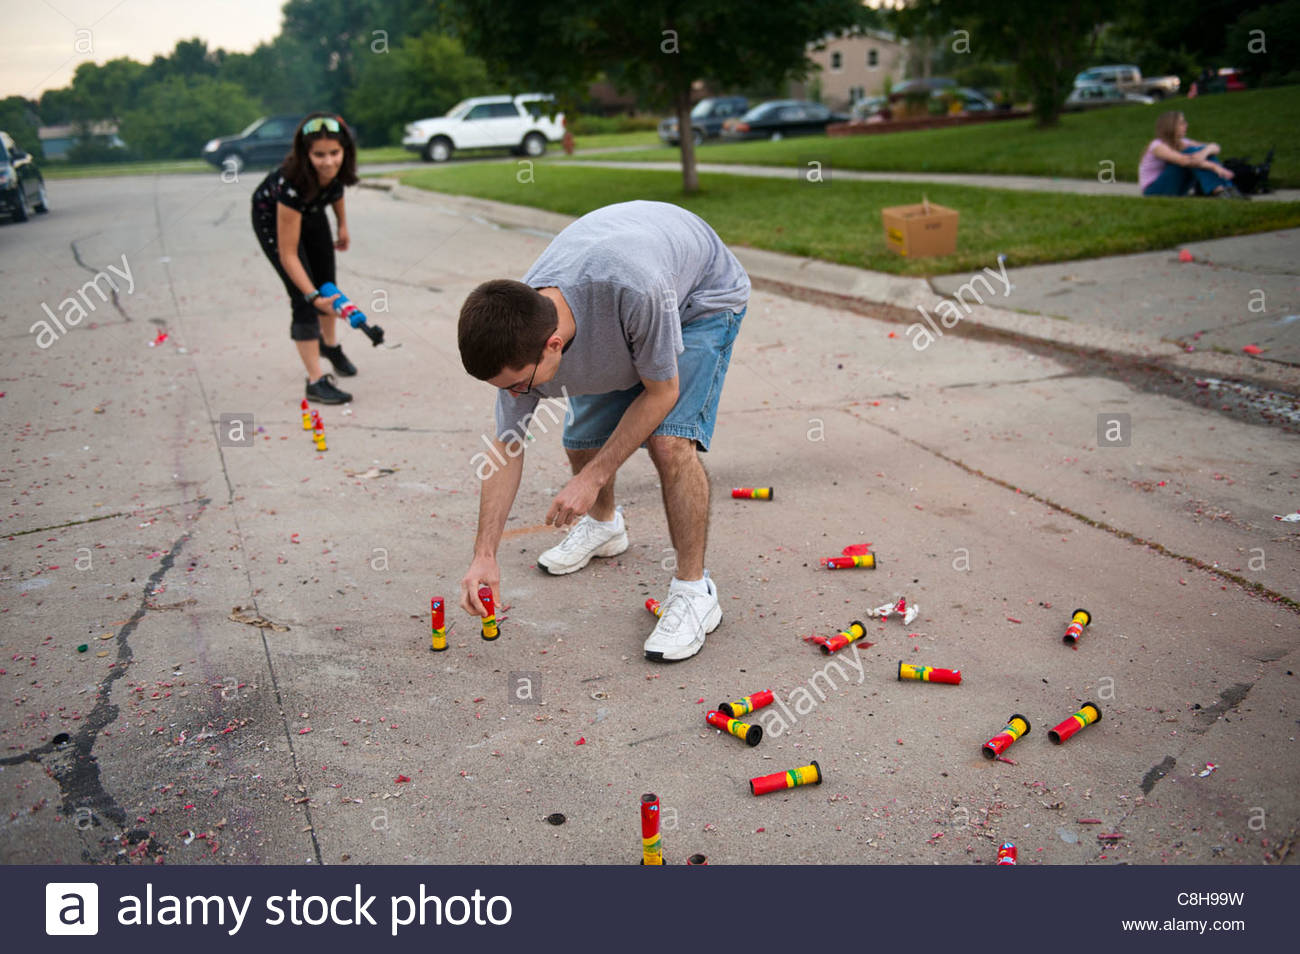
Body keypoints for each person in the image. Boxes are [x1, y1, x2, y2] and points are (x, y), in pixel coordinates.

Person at [457, 201, 750, 662]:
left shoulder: (638, 290)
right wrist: (484, 554)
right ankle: (605, 525)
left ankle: (695, 592)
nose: (515, 396)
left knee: (669, 442)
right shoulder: (520, 329)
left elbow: (661, 393)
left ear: (553, 345)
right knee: (582, 440)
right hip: (623, 302)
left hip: (699, 301)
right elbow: (507, 445)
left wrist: (590, 480)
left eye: (519, 385)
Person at [251, 112, 361, 404]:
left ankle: (329, 346)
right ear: (305, 153)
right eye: (319, 155)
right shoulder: (292, 184)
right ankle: (315, 381)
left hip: (312, 211)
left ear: (345, 151)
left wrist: (342, 225)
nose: (328, 162)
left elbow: (336, 191)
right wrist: (311, 296)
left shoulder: (336, 170)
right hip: (273, 217)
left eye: (334, 153)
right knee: (304, 296)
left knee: (328, 286)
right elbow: (288, 255)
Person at [1139, 111, 1244, 198]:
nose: (1186, 125)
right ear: (1171, 126)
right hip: (1153, 191)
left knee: (1197, 151)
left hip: (1175, 188)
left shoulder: (1184, 142)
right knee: (1189, 153)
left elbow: (1215, 147)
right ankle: (1220, 190)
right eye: (1181, 123)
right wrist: (1214, 167)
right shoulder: (1157, 146)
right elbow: (1183, 161)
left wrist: (1203, 154)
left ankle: (1225, 189)